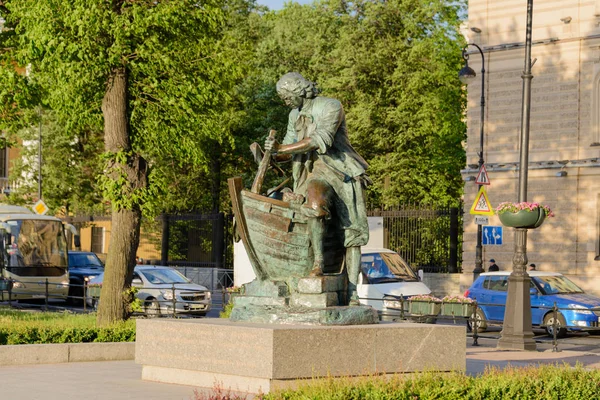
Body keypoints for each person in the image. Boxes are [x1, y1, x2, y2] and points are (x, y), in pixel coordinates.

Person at [265, 72, 371, 304]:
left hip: (342, 171)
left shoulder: (331, 106)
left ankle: (352, 292)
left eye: (286, 96)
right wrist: (272, 152)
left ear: (299, 91)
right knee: (313, 202)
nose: (285, 101)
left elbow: (321, 139)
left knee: (352, 232)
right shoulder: (294, 114)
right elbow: (290, 147)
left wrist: (282, 148)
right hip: (313, 172)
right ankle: (318, 263)